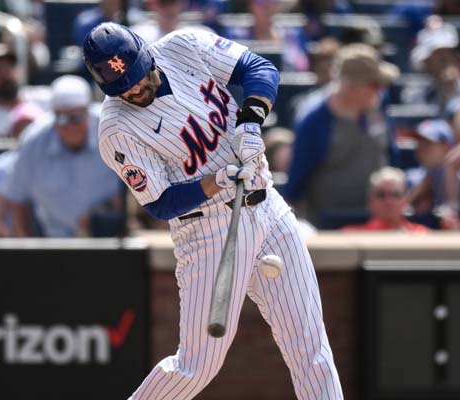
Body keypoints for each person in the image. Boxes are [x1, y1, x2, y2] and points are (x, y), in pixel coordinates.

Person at [83, 23, 342, 398]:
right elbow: (160, 203)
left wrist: (251, 121)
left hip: (268, 207)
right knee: (196, 366)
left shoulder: (184, 45)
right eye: (122, 89)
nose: (134, 90)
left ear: (146, 56)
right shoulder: (116, 129)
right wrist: (216, 181)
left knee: (310, 345)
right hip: (208, 232)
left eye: (138, 78)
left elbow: (259, 68)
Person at [284, 43, 399, 228]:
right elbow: (297, 178)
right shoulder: (314, 118)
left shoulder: (378, 106)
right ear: (351, 87)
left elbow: (392, 156)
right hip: (329, 224)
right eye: (374, 85)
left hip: (377, 222)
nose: (380, 90)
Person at [5, 75, 122, 237]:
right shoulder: (33, 142)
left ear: (88, 112)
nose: (70, 126)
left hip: (113, 238)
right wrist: (29, 250)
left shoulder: (113, 132)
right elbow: (17, 198)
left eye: (76, 117)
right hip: (57, 243)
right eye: (62, 118)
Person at [0, 102, 45, 237]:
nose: (26, 133)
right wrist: (23, 248)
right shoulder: (1, 167)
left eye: (31, 127)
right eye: (21, 128)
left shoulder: (48, 165)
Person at [342, 167, 429, 232]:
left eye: (396, 195)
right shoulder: (351, 235)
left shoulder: (421, 234)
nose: (389, 201)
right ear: (370, 201)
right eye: (381, 195)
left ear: (405, 201)